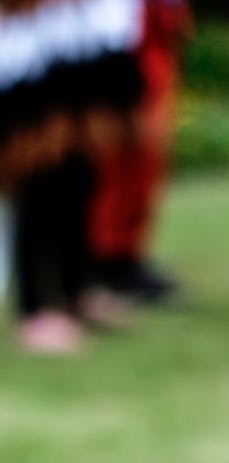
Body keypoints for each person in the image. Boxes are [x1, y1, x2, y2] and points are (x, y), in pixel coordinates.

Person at [1, 0, 144, 354]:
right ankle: (35, 308)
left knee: (81, 171)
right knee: (37, 178)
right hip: (27, 44)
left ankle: (76, 289)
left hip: (78, 36)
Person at [88, 0, 194, 303]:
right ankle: (107, 259)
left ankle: (125, 255)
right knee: (117, 162)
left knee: (144, 166)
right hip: (124, 59)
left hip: (154, 58)